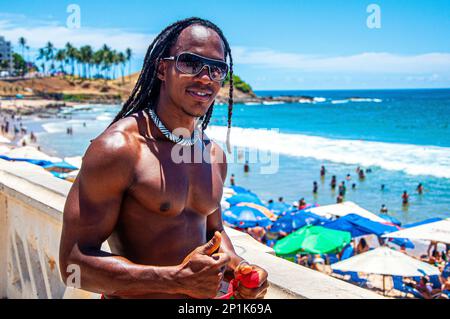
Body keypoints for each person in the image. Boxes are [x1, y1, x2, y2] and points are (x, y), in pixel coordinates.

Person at [59, 18, 268, 300]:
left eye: (217, 69)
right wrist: (174, 280)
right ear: (162, 68)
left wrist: (239, 268)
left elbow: (214, 233)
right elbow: (73, 265)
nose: (206, 77)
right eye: (191, 63)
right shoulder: (119, 149)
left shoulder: (214, 155)